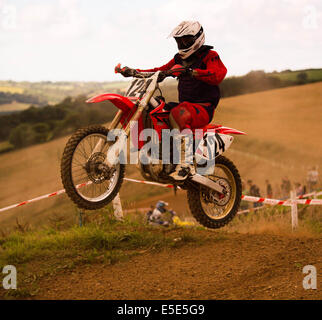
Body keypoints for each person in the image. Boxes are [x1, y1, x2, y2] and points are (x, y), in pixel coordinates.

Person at [120, 21, 227, 181]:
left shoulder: (210, 55)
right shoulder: (179, 58)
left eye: (186, 40)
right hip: (185, 106)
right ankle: (161, 155)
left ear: (197, 38)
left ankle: (187, 163)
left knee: (178, 112)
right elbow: (159, 70)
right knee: (156, 109)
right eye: (180, 40)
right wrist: (134, 72)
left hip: (203, 108)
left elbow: (218, 74)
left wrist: (191, 72)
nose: (182, 44)